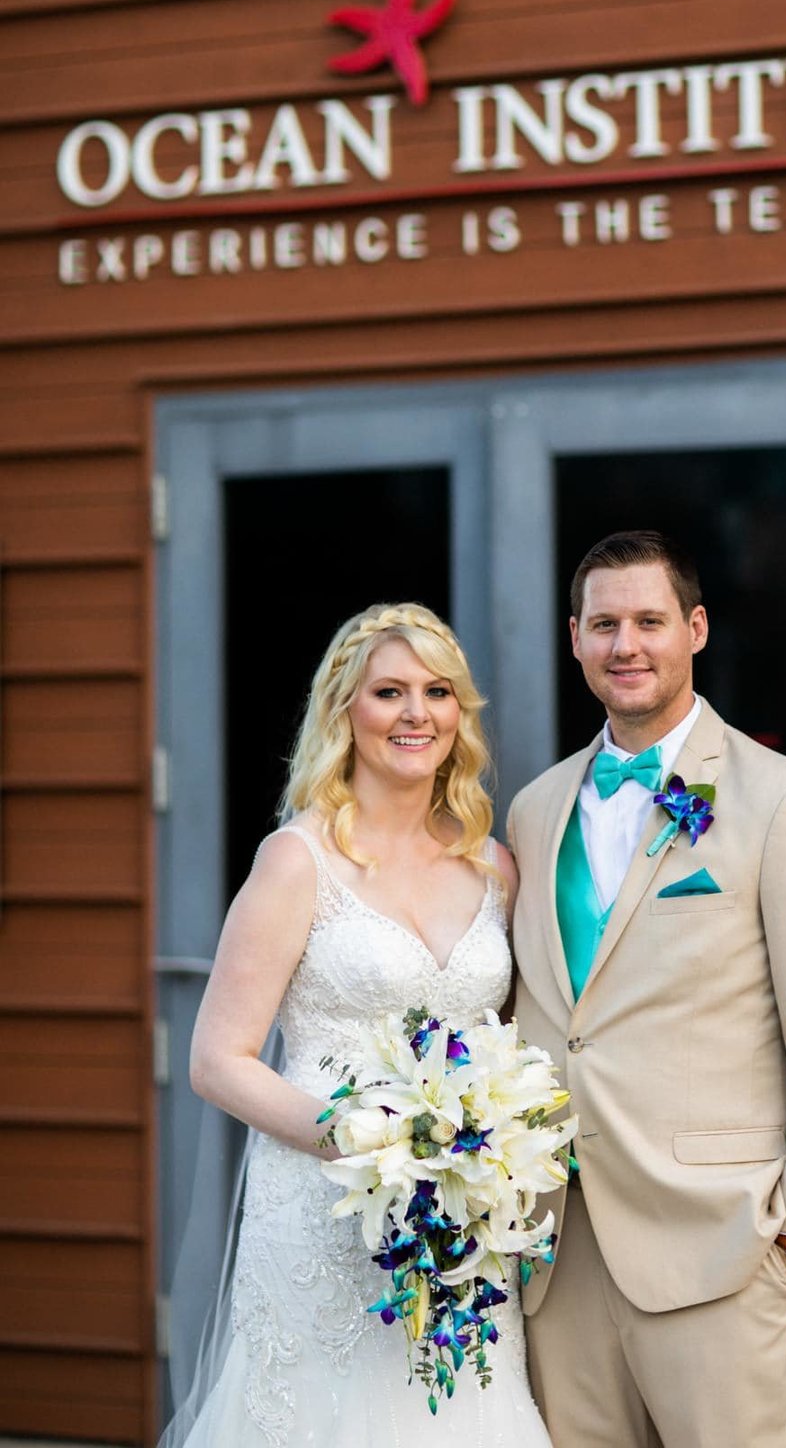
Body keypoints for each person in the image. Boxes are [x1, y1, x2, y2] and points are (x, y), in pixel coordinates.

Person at [508, 531, 786, 1448]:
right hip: (561, 1256)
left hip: (725, 1253)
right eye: (604, 624)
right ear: (574, 639)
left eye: (649, 621)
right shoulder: (533, 809)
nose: (625, 645)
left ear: (697, 629)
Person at [163, 601, 553, 1448]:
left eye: (438, 691)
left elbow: (511, 1043)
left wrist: (483, 1148)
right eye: (390, 692)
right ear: (346, 709)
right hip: (320, 1213)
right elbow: (217, 1060)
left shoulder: (496, 867)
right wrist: (358, 1138)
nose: (417, 713)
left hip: (460, 1225)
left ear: (460, 715)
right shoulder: (296, 860)